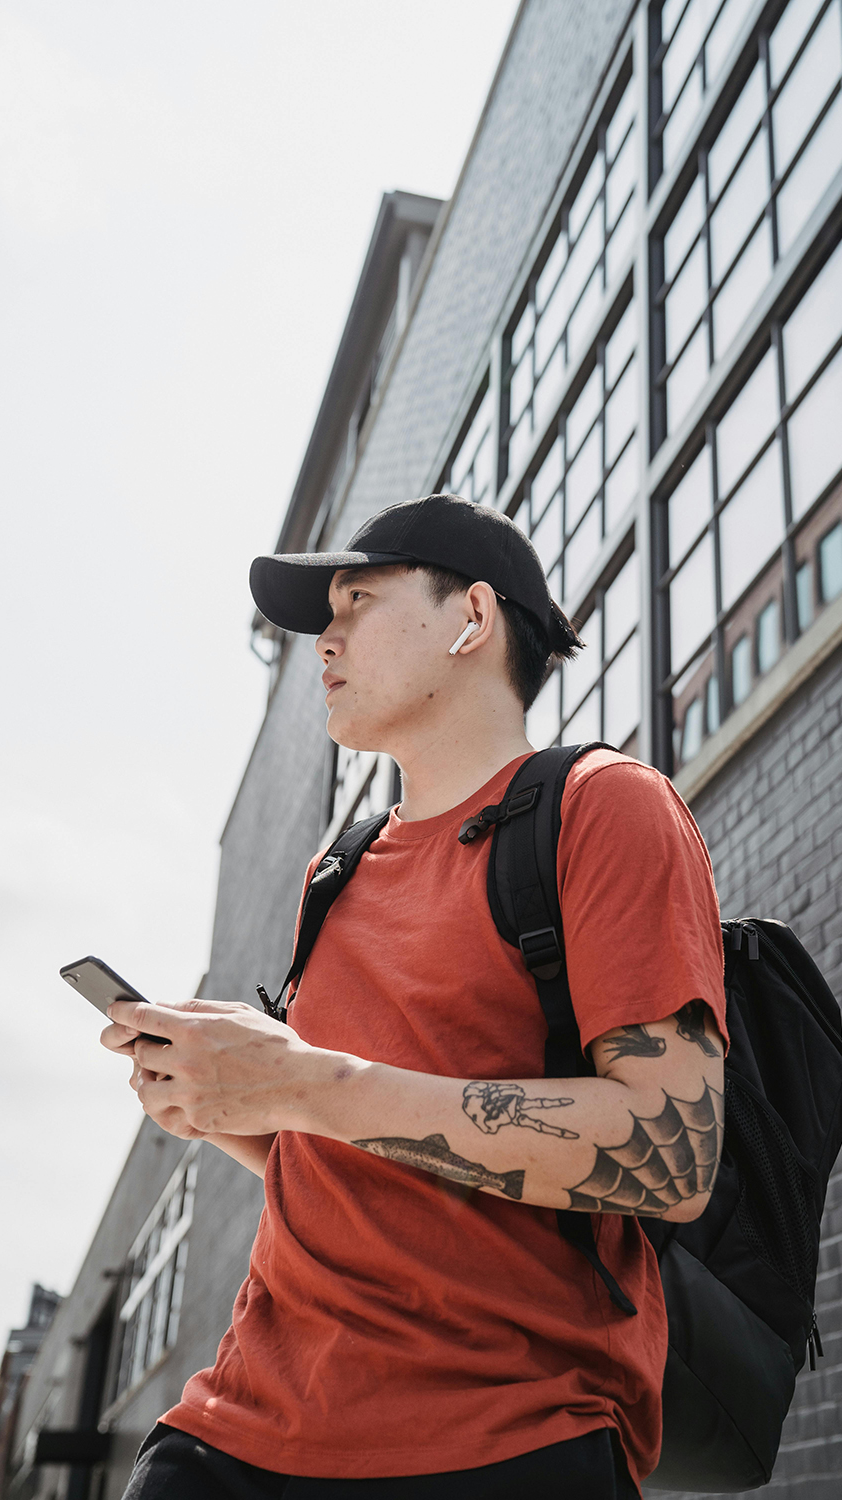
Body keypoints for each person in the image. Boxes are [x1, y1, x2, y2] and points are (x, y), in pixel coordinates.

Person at [103, 493, 726, 1499]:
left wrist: (307, 1081)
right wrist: (231, 1103)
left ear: (471, 620)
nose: (323, 641)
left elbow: (669, 1152)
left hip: (501, 1438)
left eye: (356, 602)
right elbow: (356, 1155)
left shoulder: (604, 807)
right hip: (236, 1432)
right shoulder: (337, 870)